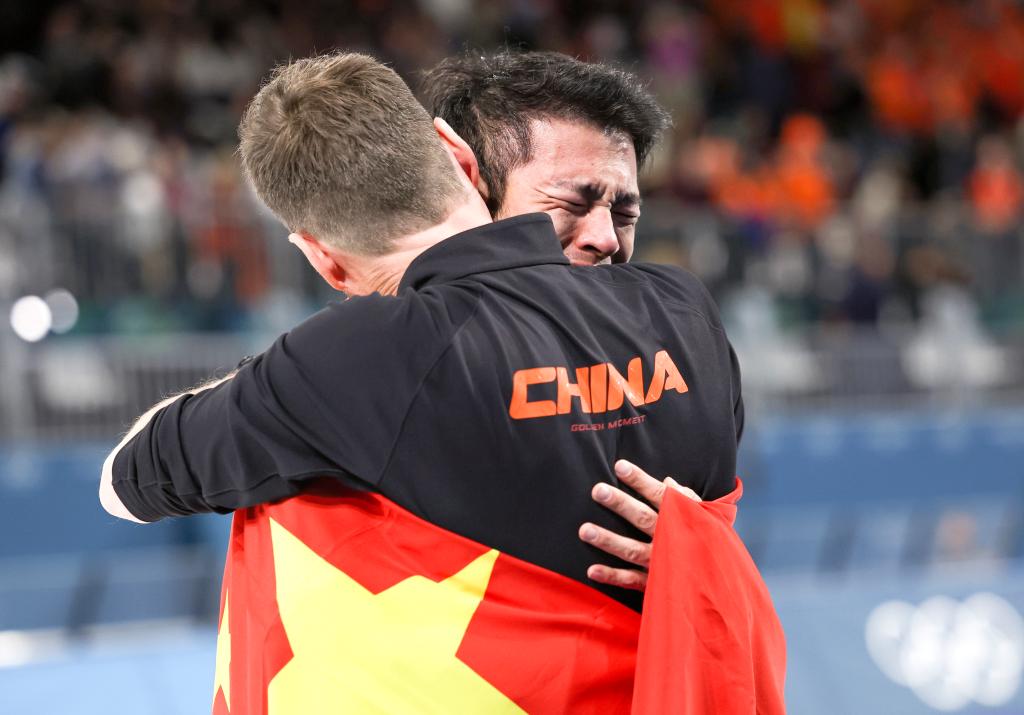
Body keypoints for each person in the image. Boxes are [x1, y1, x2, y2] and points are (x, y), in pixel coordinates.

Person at [101, 52, 778, 713]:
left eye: (625, 212)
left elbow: (127, 479)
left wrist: (273, 380)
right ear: (462, 161)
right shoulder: (686, 311)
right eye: (570, 201)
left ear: (320, 258)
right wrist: (695, 554)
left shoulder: (350, 365)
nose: (603, 237)